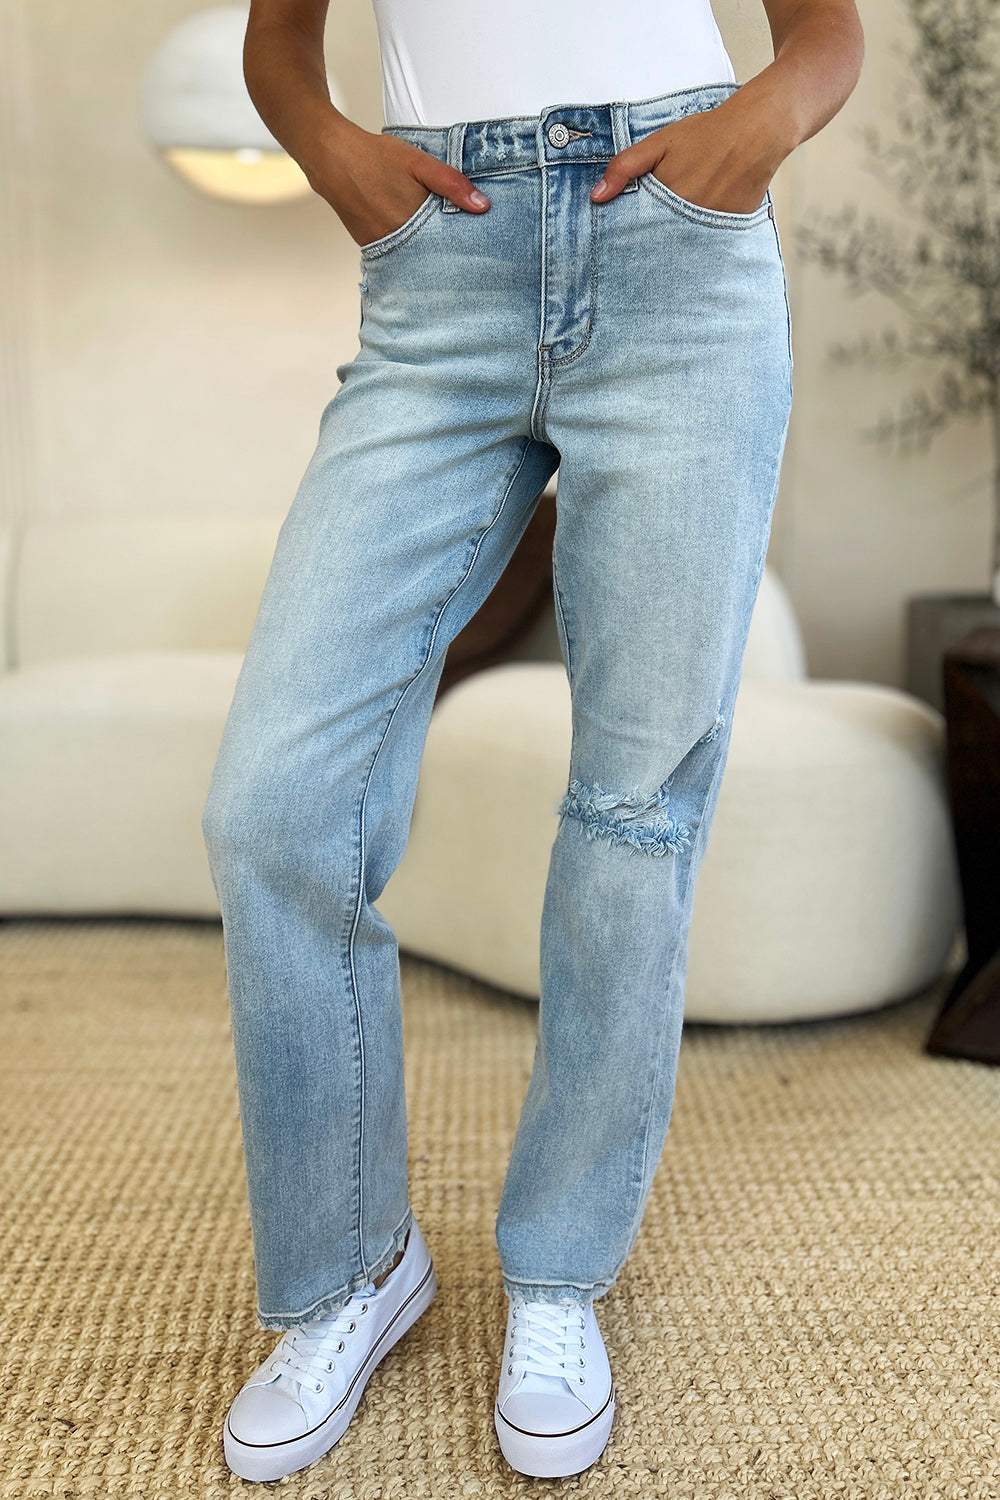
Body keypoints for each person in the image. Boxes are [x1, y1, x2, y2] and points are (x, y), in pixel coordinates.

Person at [201, 0, 864, 1481]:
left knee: (634, 805)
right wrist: (331, 153)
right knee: (274, 803)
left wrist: (749, 137)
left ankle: (558, 1276)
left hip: (679, 261)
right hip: (445, 268)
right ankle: (353, 1272)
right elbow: (277, 40)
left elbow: (826, 37)